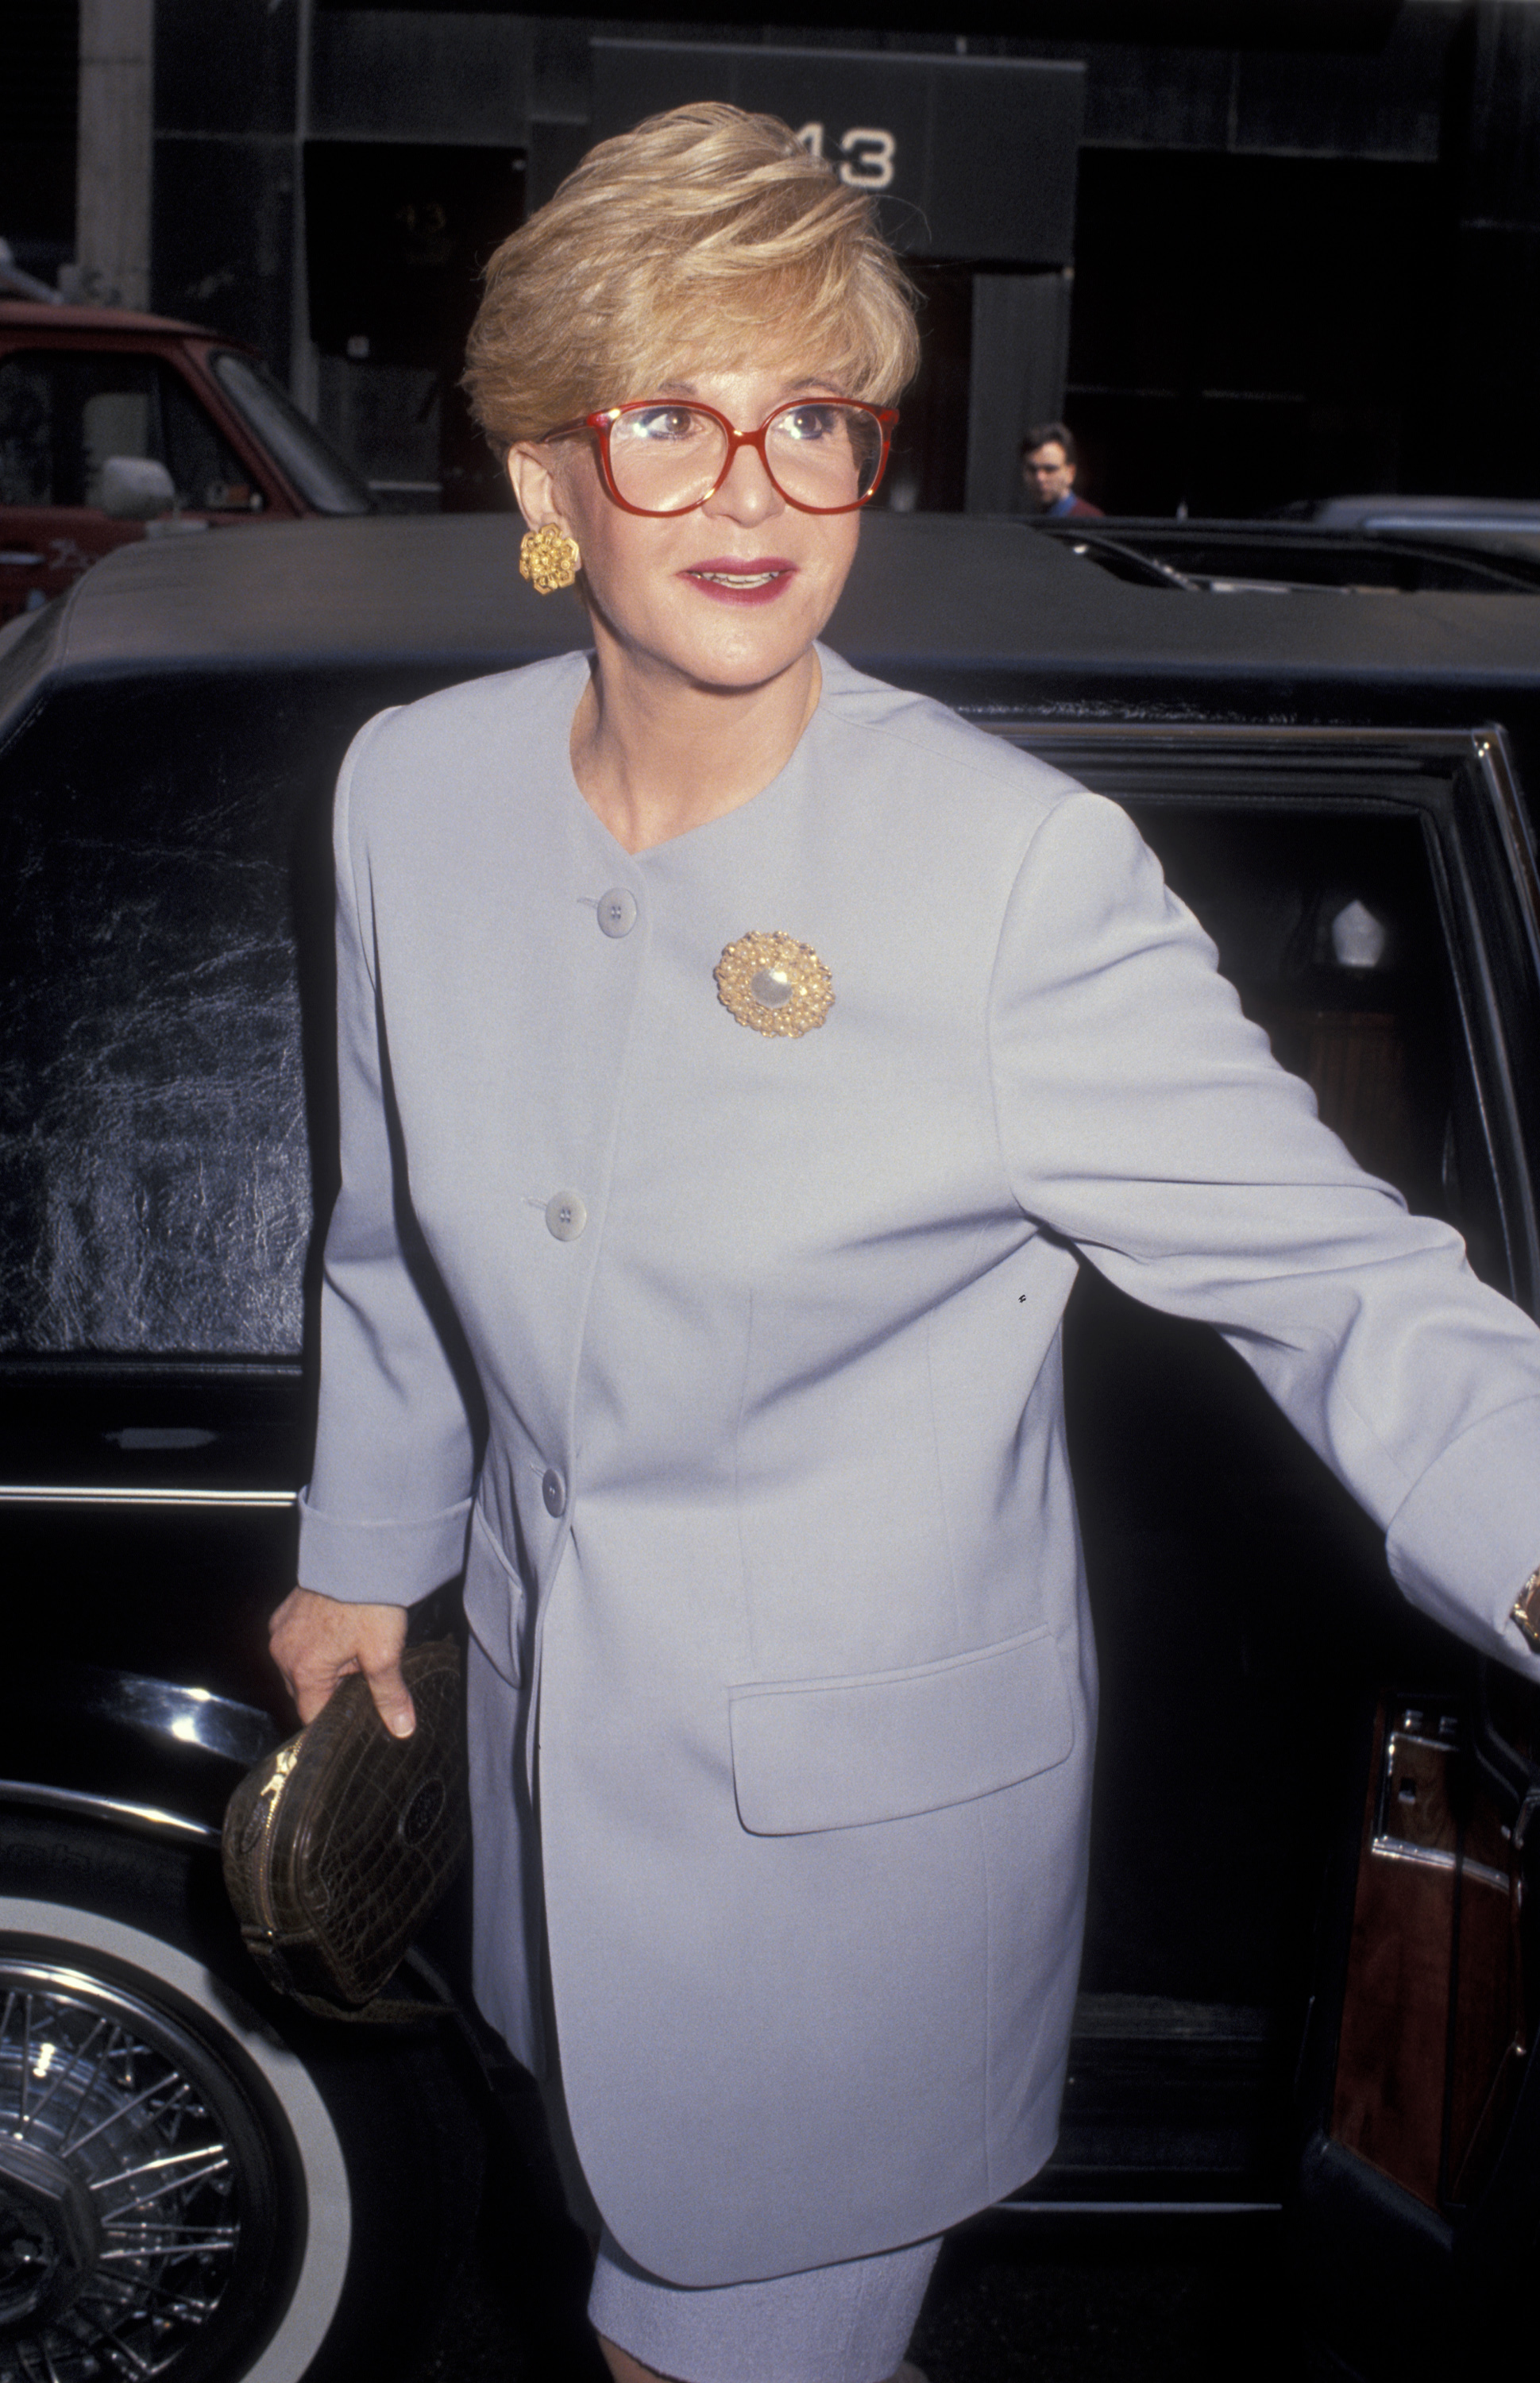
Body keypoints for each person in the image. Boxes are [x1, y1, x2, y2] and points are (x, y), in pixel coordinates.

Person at [268, 102, 1540, 2383]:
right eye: (669, 419)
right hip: (553, 1803)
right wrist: (364, 1561)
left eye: (816, 422)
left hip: (849, 1878)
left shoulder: (1007, 878)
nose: (749, 495)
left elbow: (1340, 1283)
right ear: (542, 480)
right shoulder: (411, 794)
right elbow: (388, 1235)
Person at [1021, 419, 1102, 517]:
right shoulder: (1025, 517)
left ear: (1070, 473)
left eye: (1050, 469)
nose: (1040, 478)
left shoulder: (1090, 520)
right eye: (1032, 469)